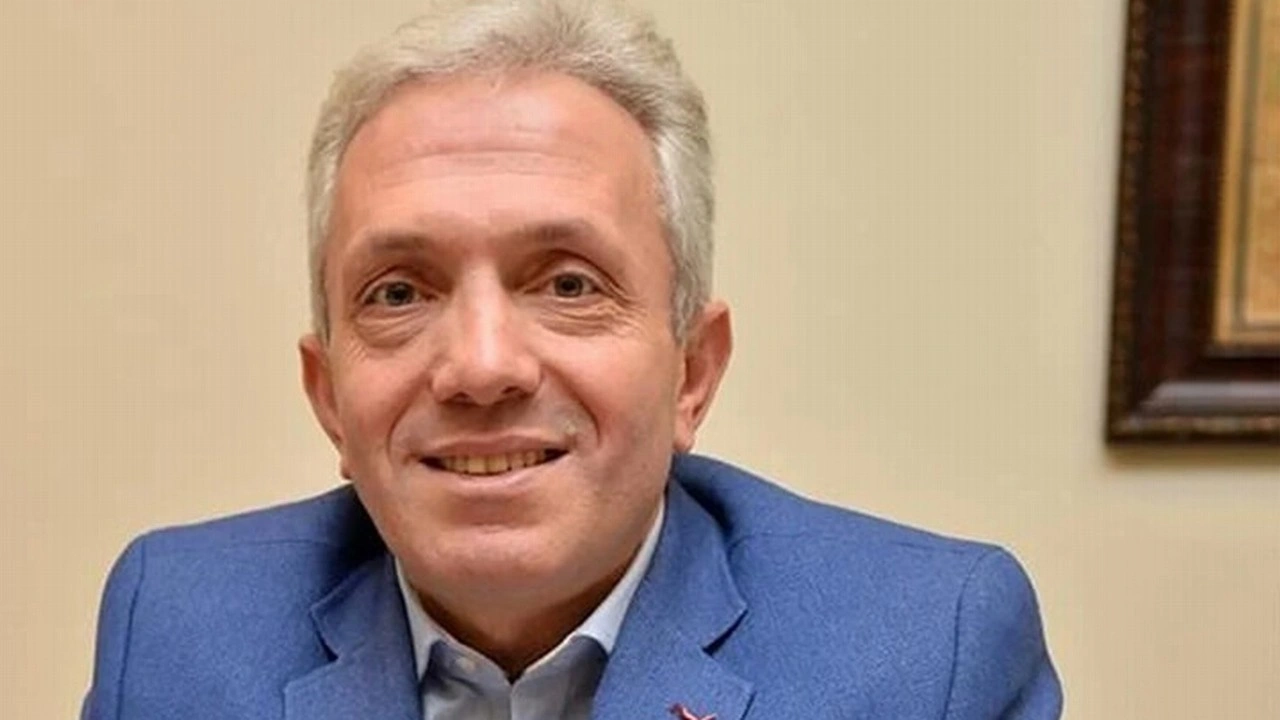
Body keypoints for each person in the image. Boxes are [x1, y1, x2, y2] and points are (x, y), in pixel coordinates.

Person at [82, 1, 1062, 718]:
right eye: (399, 294)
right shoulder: (176, 628)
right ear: (328, 395)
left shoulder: (928, 652)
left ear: (693, 371)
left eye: (567, 284)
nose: (480, 366)